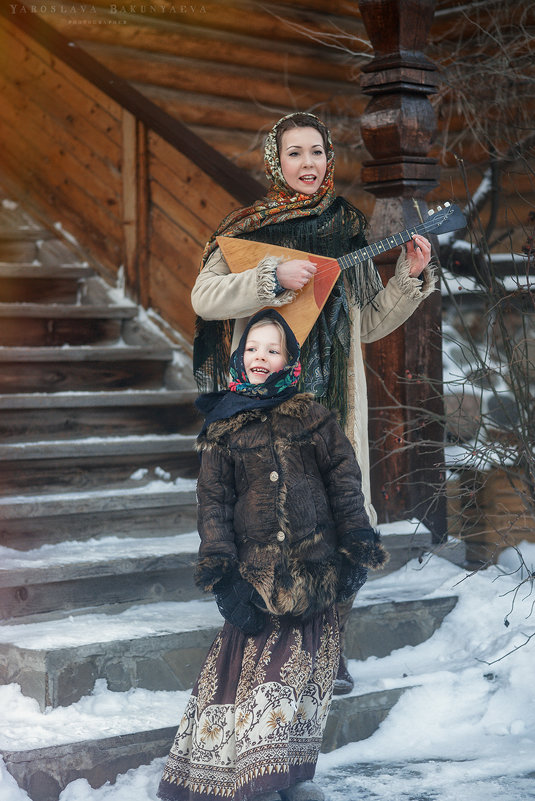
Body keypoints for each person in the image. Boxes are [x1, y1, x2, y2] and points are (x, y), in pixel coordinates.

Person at [191, 112, 435, 694]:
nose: (308, 164)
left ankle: (329, 655)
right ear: (277, 161)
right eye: (295, 153)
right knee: (270, 524)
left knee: (343, 521)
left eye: (317, 152)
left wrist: (408, 277)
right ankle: (269, 661)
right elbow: (205, 298)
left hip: (336, 407)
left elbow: (370, 323)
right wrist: (272, 278)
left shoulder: (348, 225)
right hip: (267, 405)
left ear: (330, 159)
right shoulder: (247, 229)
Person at [158, 309, 387, 801]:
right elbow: (214, 506)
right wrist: (222, 576)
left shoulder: (315, 417)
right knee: (255, 690)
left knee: (298, 689)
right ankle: (251, 782)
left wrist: (353, 552)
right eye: (252, 348)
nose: (260, 356)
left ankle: (292, 778)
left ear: (290, 361)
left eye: (272, 349)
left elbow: (344, 485)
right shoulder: (224, 427)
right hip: (255, 584)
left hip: (313, 578)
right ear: (240, 358)